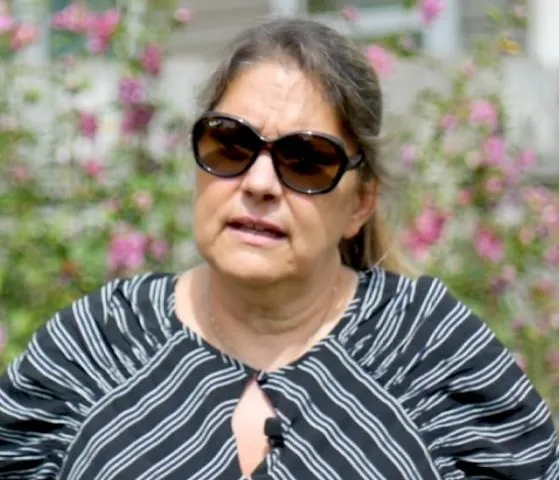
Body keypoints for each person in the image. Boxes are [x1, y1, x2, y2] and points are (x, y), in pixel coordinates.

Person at [0, 17, 558, 480]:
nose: (260, 183)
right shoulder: (99, 346)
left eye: (306, 161)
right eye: (230, 144)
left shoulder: (428, 349)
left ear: (360, 202)